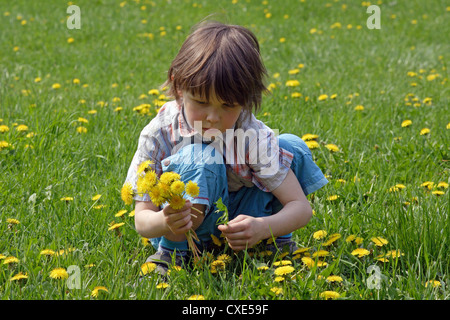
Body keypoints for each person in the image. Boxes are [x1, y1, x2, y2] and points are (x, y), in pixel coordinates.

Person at [123, 21, 328, 274]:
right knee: (200, 155)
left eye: (228, 106)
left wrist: (263, 226)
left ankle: (272, 243)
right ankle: (172, 253)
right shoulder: (159, 134)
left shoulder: (250, 134)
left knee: (290, 146)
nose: (212, 117)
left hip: (241, 228)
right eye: (201, 102)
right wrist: (164, 220)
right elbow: (142, 221)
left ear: (246, 101)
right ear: (178, 87)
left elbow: (300, 208)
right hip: (180, 230)